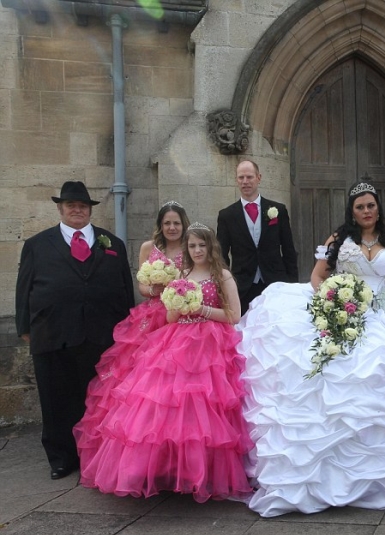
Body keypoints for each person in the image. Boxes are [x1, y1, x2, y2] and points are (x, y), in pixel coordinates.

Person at [239, 181, 385, 517]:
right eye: (360, 206)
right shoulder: (339, 239)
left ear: (379, 208)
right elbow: (318, 276)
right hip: (346, 307)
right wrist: (332, 300)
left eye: (371, 206)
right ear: (352, 211)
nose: (367, 211)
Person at [73, 223, 253, 502]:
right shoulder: (182, 274)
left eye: (201, 245)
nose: (197, 250)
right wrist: (178, 304)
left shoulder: (222, 275)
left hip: (211, 343)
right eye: (192, 246)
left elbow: (234, 315)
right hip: (176, 340)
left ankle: (200, 472)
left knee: (204, 409)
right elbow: (170, 317)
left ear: (211, 247)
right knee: (163, 405)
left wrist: (201, 308)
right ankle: (167, 471)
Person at [15, 181, 134, 480]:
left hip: (101, 335)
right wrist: (24, 327)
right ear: (60, 208)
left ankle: (97, 453)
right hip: (52, 333)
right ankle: (61, 458)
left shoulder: (112, 244)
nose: (77, 210)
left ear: (90, 209)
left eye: (82, 205)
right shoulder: (37, 245)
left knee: (98, 398)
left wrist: (128, 329)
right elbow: (24, 288)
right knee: (55, 399)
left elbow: (124, 290)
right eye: (71, 205)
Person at [74, 201, 190, 470]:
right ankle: (138, 453)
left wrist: (179, 291)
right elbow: (141, 285)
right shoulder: (148, 249)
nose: (172, 227)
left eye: (176, 223)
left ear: (183, 224)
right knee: (140, 384)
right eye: (167, 223)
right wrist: (157, 288)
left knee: (174, 384)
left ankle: (173, 450)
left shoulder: (190, 247)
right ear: (160, 226)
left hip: (179, 317)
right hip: (150, 318)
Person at [217, 159, 299, 314]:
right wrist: (226, 285)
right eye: (241, 178)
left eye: (249, 177)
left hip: (275, 283)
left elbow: (288, 249)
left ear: (258, 178)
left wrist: (291, 284)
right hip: (242, 286)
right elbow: (221, 256)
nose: (245, 182)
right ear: (236, 180)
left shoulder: (278, 210)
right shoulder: (227, 215)